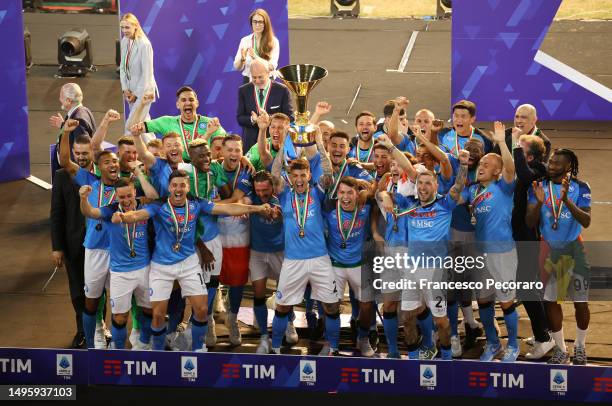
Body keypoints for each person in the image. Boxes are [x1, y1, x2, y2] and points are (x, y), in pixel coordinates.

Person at [115, 170, 271, 352]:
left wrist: (257, 209)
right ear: (169, 188)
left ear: (188, 187)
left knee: (202, 310)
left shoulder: (197, 204)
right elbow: (139, 215)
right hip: (162, 266)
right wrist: (125, 217)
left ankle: (198, 349)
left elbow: (228, 208)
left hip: (188, 263)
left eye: (182, 185)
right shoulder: (159, 206)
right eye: (175, 185)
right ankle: (157, 353)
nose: (178, 189)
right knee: (157, 315)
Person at [268, 127, 341, 355]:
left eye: (303, 175)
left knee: (331, 306)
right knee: (282, 306)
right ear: (289, 178)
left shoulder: (318, 192)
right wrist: (286, 142)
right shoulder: (284, 194)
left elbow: (328, 171)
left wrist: (319, 141)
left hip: (320, 259)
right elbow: (274, 172)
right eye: (294, 176)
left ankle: (333, 348)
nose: (298, 179)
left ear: (309, 175)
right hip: (293, 261)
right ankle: (277, 347)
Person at [57, 119, 120, 349]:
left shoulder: (125, 185)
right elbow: (65, 161)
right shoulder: (87, 178)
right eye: (107, 162)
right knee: (91, 300)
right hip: (94, 249)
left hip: (119, 249)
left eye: (115, 162)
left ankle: (119, 342)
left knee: (119, 301)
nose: (112, 165)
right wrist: (65, 132)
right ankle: (95, 341)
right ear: (98, 166)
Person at [461, 121, 519, 362]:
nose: (482, 166)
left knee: (506, 301)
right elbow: (453, 195)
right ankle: (493, 344)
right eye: (481, 163)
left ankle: (513, 345)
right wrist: (463, 167)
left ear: (497, 171)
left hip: (502, 252)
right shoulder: (472, 191)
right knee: (483, 300)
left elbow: (510, 167)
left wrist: (502, 143)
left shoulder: (504, 187)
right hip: (480, 253)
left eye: (487, 164)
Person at [526, 149, 591, 365]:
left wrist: (567, 201)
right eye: (551, 162)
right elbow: (529, 222)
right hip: (549, 249)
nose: (551, 165)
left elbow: (587, 221)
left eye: (556, 163)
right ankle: (562, 349)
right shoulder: (538, 186)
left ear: (568, 167)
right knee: (551, 301)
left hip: (574, 249)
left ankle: (580, 346)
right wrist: (537, 203)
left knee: (580, 303)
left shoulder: (581, 188)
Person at [78, 178, 157, 350]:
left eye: (129, 195)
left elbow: (155, 198)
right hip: (120, 273)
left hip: (145, 269)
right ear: (116, 196)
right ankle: (118, 351)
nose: (126, 200)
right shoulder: (110, 211)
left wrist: (139, 174)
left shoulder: (145, 208)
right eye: (122, 197)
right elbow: (90, 212)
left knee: (149, 310)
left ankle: (143, 344)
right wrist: (83, 199)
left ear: (135, 193)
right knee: (120, 318)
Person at [511, 134, 555, 360]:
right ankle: (545, 331)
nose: (517, 151)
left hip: (527, 235)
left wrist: (516, 148)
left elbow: (525, 176)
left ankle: (544, 338)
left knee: (526, 288)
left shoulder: (538, 170)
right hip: (521, 234)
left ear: (528, 155)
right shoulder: (536, 168)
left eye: (520, 149)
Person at [324, 177, 375, 356]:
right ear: (337, 194)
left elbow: (380, 186)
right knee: (331, 306)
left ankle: (363, 339)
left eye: (350, 193)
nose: (345, 197)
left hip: (359, 264)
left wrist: (367, 189)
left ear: (357, 194)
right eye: (342, 193)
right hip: (335, 264)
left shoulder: (365, 207)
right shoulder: (329, 209)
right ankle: (332, 344)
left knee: (367, 305)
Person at [50, 134, 93, 348]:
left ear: (93, 151)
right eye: (77, 153)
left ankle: (99, 329)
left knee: (96, 291)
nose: (81, 157)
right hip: (73, 244)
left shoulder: (102, 173)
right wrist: (57, 247)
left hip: (100, 246)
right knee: (77, 291)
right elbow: (56, 214)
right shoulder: (61, 176)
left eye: (85, 153)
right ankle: (82, 330)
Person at [243, 170, 287, 353]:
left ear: (273, 188)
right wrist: (250, 208)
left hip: (281, 252)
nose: (261, 194)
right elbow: (242, 203)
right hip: (258, 252)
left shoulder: (282, 199)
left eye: (265, 191)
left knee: (285, 294)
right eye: (258, 190)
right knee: (258, 293)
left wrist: (281, 215)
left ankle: (289, 324)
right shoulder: (251, 198)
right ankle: (263, 336)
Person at [140, 86, 226, 161]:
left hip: (204, 167)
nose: (188, 103)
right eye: (183, 100)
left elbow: (225, 148)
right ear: (178, 104)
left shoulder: (210, 124)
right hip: (177, 169)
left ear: (197, 103)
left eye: (191, 100)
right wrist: (141, 105)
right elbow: (134, 127)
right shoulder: (167, 122)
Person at [236, 59, 294, 151]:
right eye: (254, 77)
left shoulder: (282, 90)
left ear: (268, 73)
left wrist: (270, 119)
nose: (257, 81)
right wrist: (253, 119)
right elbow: (240, 118)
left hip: (275, 144)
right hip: (250, 144)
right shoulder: (244, 90)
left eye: (260, 77)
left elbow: (290, 118)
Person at [119, 13, 158, 134]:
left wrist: (136, 94)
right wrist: (125, 89)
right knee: (141, 125)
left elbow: (147, 74)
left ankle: (125, 150)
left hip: (144, 93)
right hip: (131, 92)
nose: (124, 31)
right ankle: (152, 150)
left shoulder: (144, 44)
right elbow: (122, 67)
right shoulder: (125, 41)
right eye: (122, 27)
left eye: (127, 27)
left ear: (135, 26)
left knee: (131, 126)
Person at [49, 83, 96, 173]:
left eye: (61, 96)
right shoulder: (84, 110)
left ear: (69, 100)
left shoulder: (78, 119)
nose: (59, 99)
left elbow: (82, 151)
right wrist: (63, 125)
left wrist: (76, 175)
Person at [234, 8, 280, 84]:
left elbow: (271, 67)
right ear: (251, 23)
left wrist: (255, 57)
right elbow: (237, 67)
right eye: (254, 22)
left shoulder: (273, 41)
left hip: (267, 82)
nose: (257, 25)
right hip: (248, 81)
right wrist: (242, 59)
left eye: (260, 22)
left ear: (266, 23)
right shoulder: (245, 40)